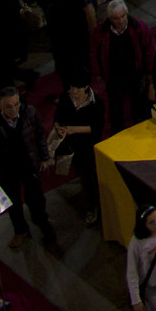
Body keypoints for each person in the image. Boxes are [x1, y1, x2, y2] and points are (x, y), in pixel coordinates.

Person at [0, 84, 56, 250]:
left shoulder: (30, 112)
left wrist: (44, 157)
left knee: (36, 198)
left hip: (29, 164)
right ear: (0, 107)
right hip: (7, 170)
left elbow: (40, 135)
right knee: (13, 204)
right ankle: (20, 230)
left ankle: (42, 222)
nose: (14, 110)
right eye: (9, 107)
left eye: (16, 104)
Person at [94, 0, 154, 131]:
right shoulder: (101, 31)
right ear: (110, 18)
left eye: (123, 16)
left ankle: (140, 128)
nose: (121, 21)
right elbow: (94, 52)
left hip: (134, 72)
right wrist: (97, 72)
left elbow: (149, 49)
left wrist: (148, 70)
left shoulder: (138, 27)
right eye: (116, 18)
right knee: (115, 107)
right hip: (113, 75)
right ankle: (117, 132)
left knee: (137, 103)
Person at [52, 80, 105, 224]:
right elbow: (57, 117)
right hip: (71, 144)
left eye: (77, 88)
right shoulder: (66, 97)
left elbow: (96, 128)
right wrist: (58, 127)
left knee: (90, 176)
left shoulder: (95, 103)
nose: (74, 91)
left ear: (86, 87)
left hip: (88, 145)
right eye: (72, 87)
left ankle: (96, 207)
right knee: (82, 175)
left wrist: (73, 129)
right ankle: (91, 204)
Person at [43, 0, 98, 88]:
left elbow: (89, 10)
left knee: (79, 70)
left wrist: (93, 34)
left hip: (76, 37)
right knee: (64, 70)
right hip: (59, 37)